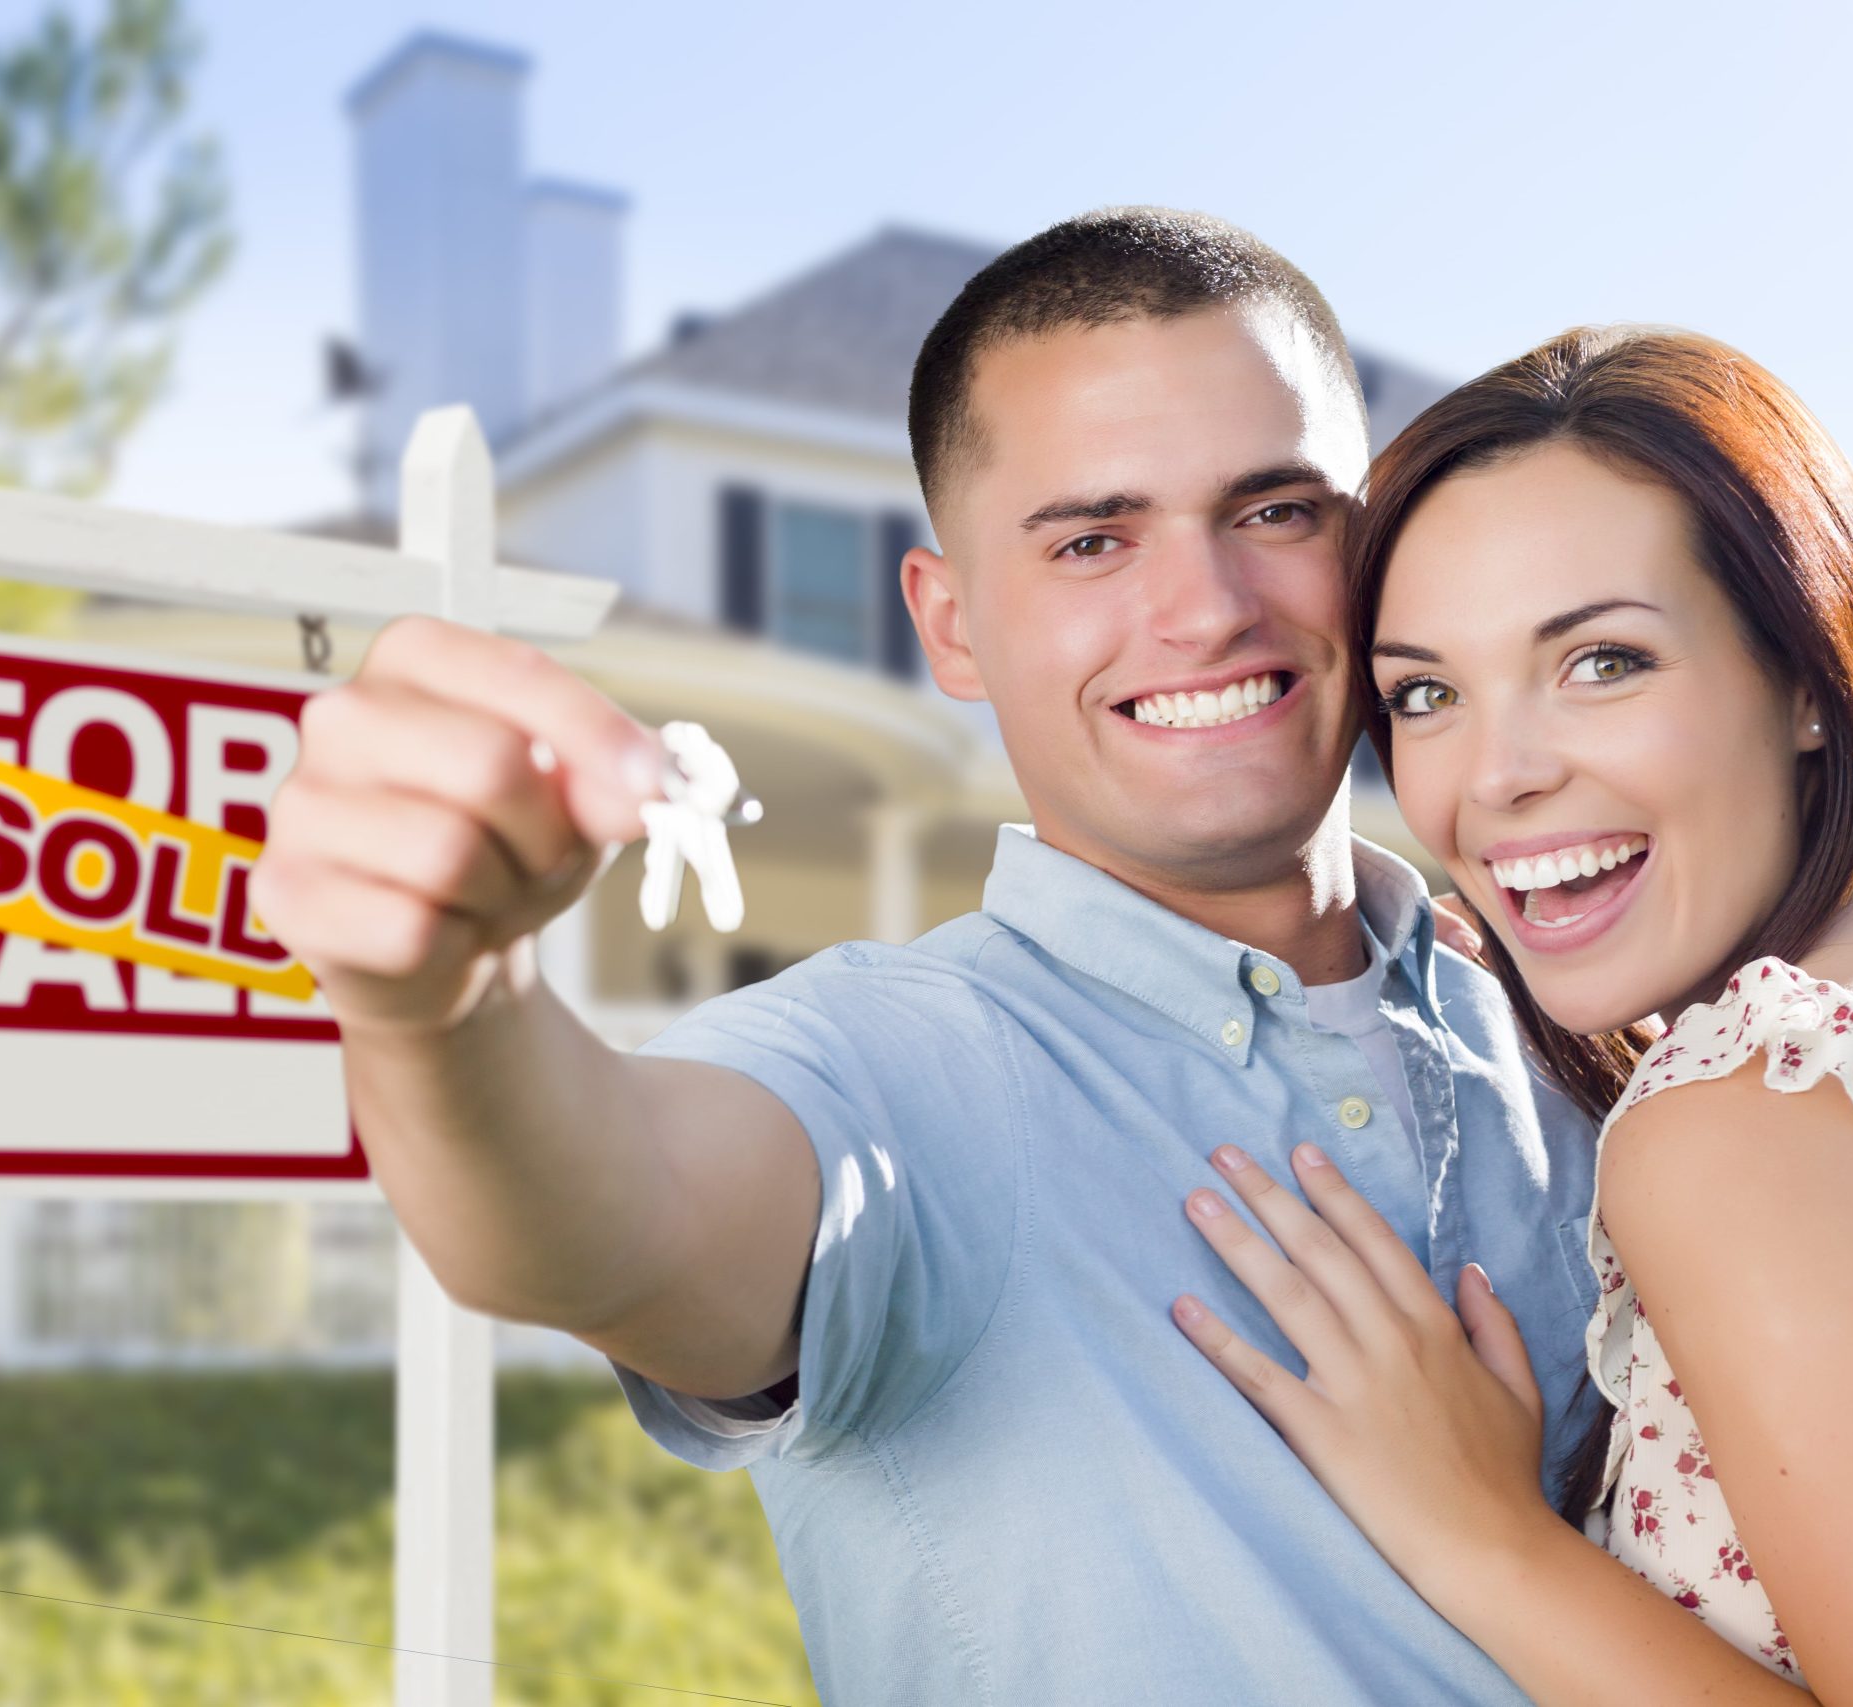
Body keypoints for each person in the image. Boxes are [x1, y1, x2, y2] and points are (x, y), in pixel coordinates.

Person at [251, 208, 1601, 1703]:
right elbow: (612, 1221)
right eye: (1093, 539)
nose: (1208, 608)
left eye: (1277, 512)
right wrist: (444, 1011)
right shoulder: (895, 1065)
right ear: (950, 627)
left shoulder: (1569, 1026)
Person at [1167, 325, 1853, 1702]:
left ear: (1807, 674)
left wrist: (1481, 1535)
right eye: (1427, 694)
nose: (1497, 779)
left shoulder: (1755, 1123)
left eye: (1603, 663)